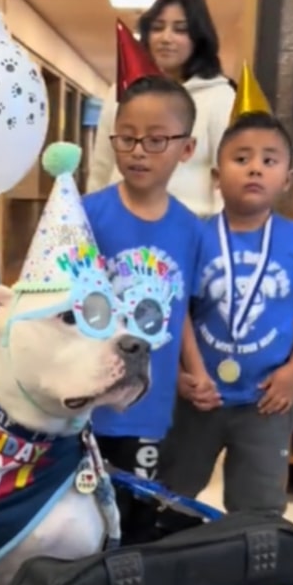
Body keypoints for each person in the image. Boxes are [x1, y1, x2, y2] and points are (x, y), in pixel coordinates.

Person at [159, 111, 293, 514]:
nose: (255, 168)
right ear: (217, 177)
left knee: (259, 509)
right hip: (198, 397)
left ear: (286, 179)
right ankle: (168, 565)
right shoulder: (194, 237)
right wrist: (186, 373)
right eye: (241, 159)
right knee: (170, 496)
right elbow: (176, 309)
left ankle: (252, 574)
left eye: (269, 160)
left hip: (267, 400)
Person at [83, 75, 202, 481]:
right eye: (126, 138)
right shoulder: (86, 214)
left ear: (186, 149)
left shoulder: (190, 229)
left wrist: (195, 369)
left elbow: (180, 307)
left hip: (148, 405)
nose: (138, 152)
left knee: (134, 514)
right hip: (82, 396)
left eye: (155, 140)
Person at [87, 0, 235, 218]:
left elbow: (231, 174)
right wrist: (89, 221)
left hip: (190, 231)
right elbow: (102, 168)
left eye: (180, 30)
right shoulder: (123, 91)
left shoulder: (220, 96)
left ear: (198, 38)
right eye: (157, 28)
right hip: (118, 223)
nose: (166, 38)